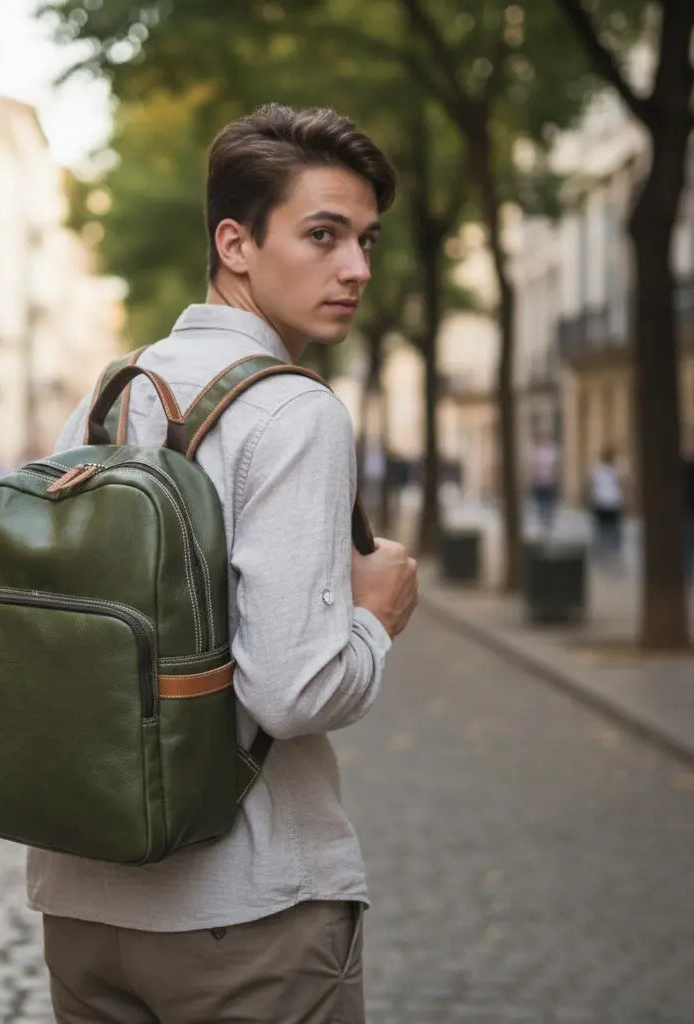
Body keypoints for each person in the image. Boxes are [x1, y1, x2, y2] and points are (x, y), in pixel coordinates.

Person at [33, 104, 418, 1024]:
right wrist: (375, 619)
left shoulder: (112, 392)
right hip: (245, 917)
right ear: (235, 243)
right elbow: (290, 692)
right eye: (323, 235)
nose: (357, 268)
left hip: (83, 908)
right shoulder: (296, 412)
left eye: (365, 239)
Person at [589, 446, 625, 562]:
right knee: (612, 529)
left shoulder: (598, 468)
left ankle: (603, 551)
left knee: (602, 529)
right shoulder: (616, 469)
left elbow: (592, 482)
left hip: (601, 502)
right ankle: (612, 552)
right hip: (612, 502)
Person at [528, 435, 560, 534]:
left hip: (546, 481)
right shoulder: (549, 452)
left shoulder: (544, 452)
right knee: (543, 501)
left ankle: (545, 518)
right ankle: (545, 518)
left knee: (545, 500)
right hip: (544, 481)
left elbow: (555, 467)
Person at [683, 429, 694, 585]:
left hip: (686, 510)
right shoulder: (684, 467)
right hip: (687, 511)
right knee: (687, 545)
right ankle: (688, 575)